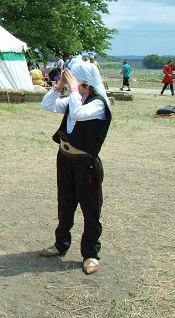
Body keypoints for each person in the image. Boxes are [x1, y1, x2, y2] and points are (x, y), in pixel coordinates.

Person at [39, 58, 111, 275]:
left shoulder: (98, 104)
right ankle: (61, 244)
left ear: (85, 83)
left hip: (85, 164)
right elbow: (47, 105)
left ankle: (91, 254)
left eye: (74, 80)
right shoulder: (74, 99)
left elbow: (79, 113)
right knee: (65, 203)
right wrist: (59, 85)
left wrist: (72, 89)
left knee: (90, 208)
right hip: (65, 159)